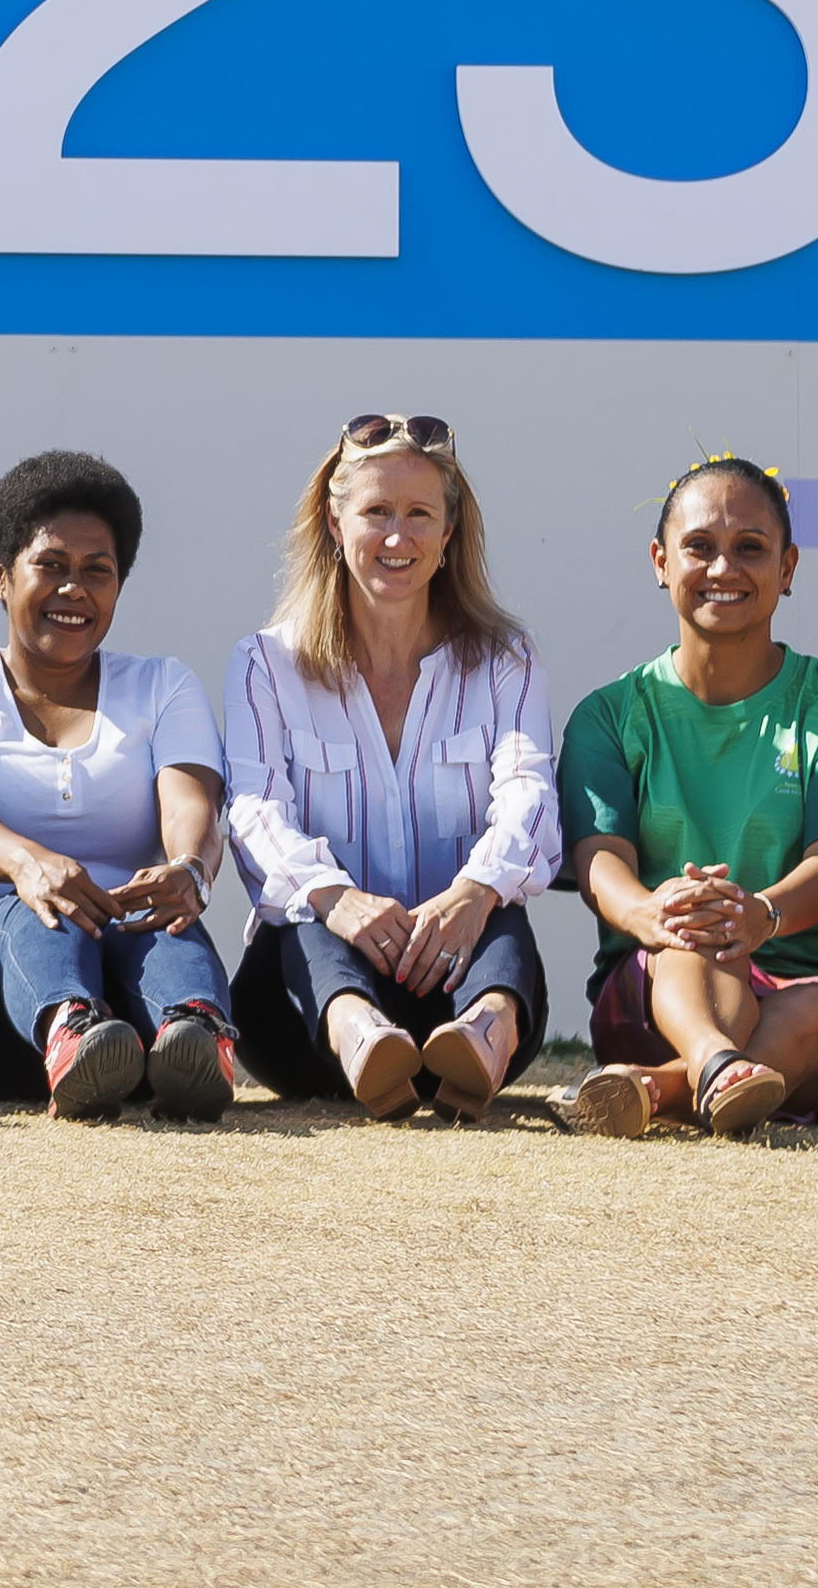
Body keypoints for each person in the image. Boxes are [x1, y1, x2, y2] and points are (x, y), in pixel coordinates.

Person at [558, 458, 818, 1140]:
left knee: (808, 1007)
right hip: (660, 990)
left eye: (750, 547)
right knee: (690, 935)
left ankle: (663, 1087)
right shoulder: (608, 715)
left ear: (787, 566)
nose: (724, 567)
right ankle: (713, 1061)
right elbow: (599, 856)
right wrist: (652, 912)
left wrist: (763, 915)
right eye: (699, 547)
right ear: (660, 561)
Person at [223, 413, 559, 1120]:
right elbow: (253, 810)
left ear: (448, 532)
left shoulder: (508, 658)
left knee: (498, 908)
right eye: (375, 511)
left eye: (418, 514)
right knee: (303, 910)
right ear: (334, 519)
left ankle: (481, 1040)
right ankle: (361, 1038)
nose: (397, 537)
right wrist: (337, 898)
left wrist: (471, 891)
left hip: (451, 982)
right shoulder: (264, 663)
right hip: (300, 1014)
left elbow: (529, 795)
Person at [0, 450, 238, 1121]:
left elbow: (191, 802)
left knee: (164, 918)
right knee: (39, 907)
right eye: (50, 566)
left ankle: (190, 1039)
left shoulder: (162, 685)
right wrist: (29, 865)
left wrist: (188, 871)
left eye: (96, 572)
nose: (73, 589)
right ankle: (70, 1034)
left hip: (125, 994)